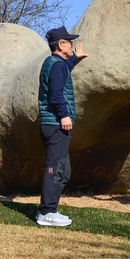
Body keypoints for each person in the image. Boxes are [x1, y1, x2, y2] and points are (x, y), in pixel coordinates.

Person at [36, 26, 88, 227]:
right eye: (69, 42)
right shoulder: (56, 65)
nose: (72, 44)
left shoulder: (57, 64)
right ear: (60, 45)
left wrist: (75, 58)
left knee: (63, 169)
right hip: (55, 123)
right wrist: (64, 115)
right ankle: (46, 212)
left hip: (54, 123)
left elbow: (62, 74)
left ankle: (51, 209)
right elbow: (56, 94)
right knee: (55, 167)